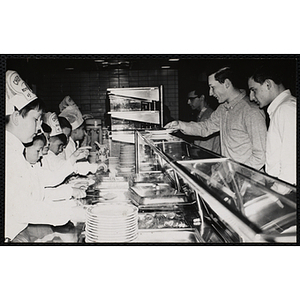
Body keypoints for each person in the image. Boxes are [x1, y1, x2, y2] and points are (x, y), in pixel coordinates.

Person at [5, 70, 86, 242]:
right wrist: (69, 213)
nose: (37, 129)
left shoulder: (17, 151)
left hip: (26, 232)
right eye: (35, 120)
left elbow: (40, 187)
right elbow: (22, 210)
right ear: (16, 117)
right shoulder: (9, 156)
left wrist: (69, 196)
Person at [165, 67, 267, 170]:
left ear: (226, 84)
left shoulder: (251, 111)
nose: (210, 93)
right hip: (233, 176)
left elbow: (260, 156)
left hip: (249, 179)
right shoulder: (223, 108)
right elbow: (206, 128)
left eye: (212, 87)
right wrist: (180, 125)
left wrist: (237, 174)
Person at [248, 65, 296, 185]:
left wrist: (275, 197)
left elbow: (291, 169)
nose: (251, 97)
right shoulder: (282, 108)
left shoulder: (286, 109)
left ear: (268, 84)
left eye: (254, 90)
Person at [185, 87, 220, 154]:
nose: (188, 102)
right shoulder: (202, 114)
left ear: (202, 97)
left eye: (191, 99)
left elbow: (205, 148)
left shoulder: (208, 115)